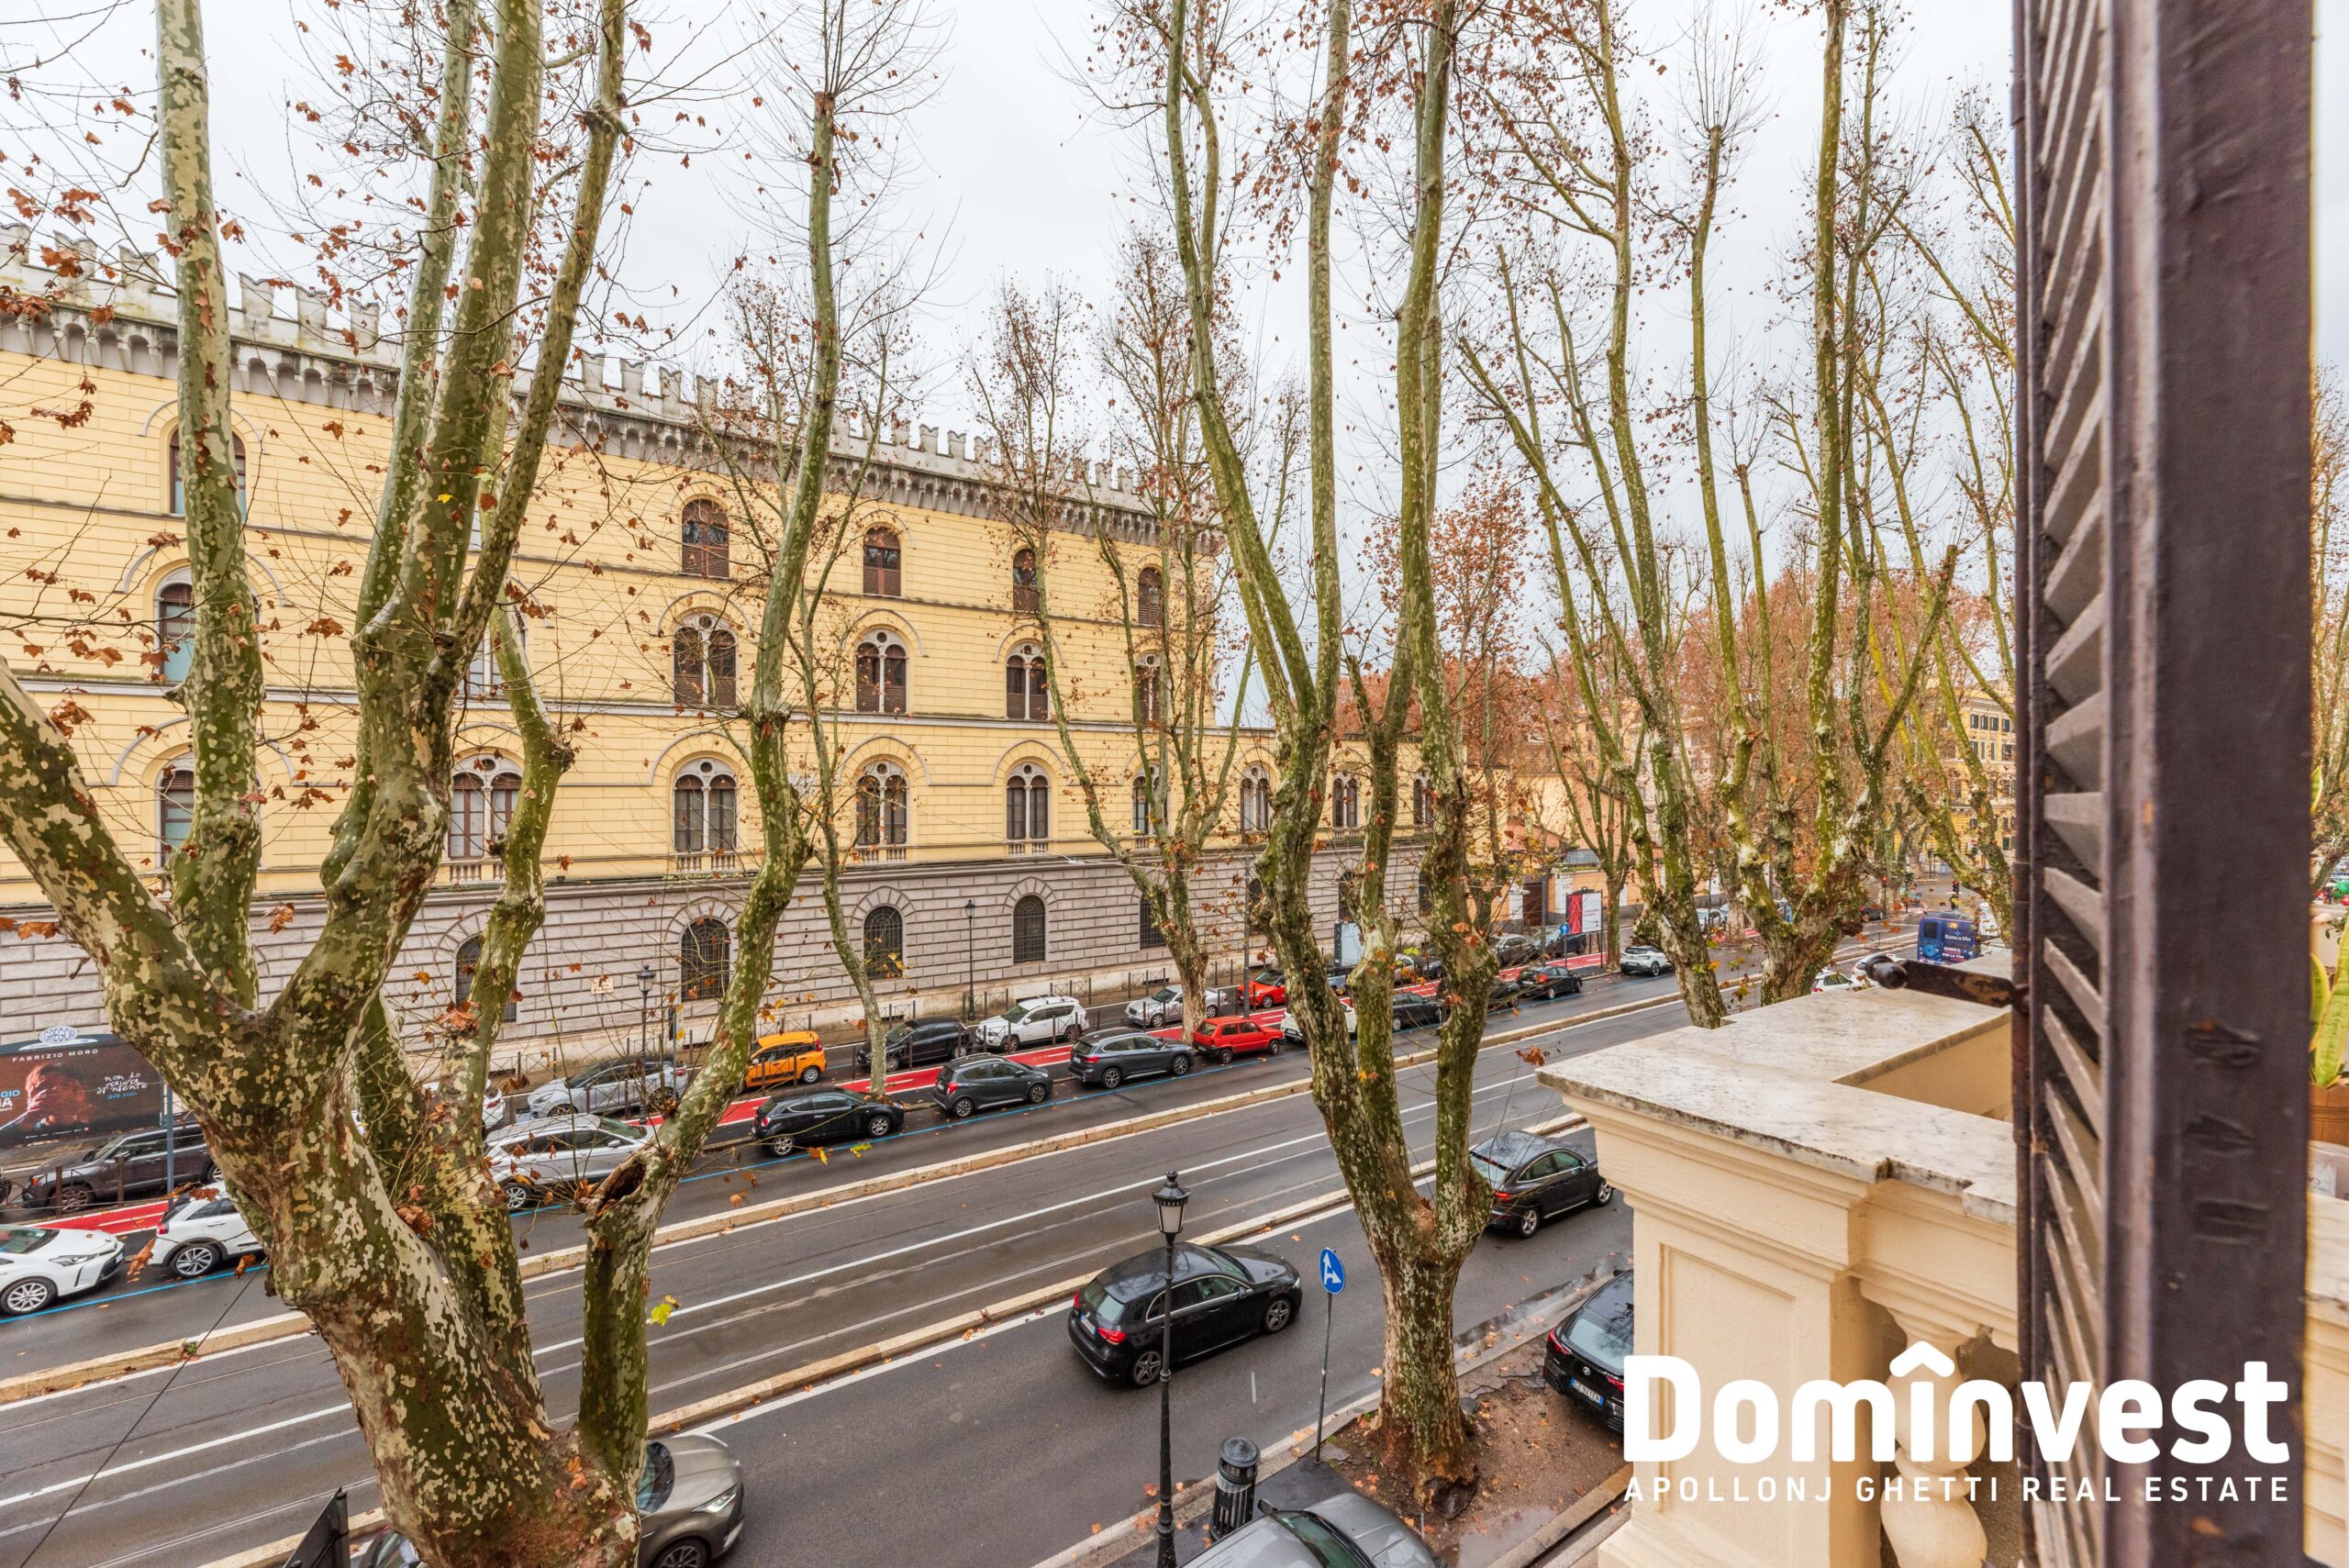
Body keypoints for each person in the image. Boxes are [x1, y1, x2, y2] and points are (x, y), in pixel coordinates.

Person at [0, 1061, 99, 1145]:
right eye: (46, 1086)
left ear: (81, 1091)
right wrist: (29, 1117)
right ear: (32, 1095)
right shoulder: (25, 1128)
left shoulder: (97, 1120)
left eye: (66, 1085)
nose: (57, 1090)